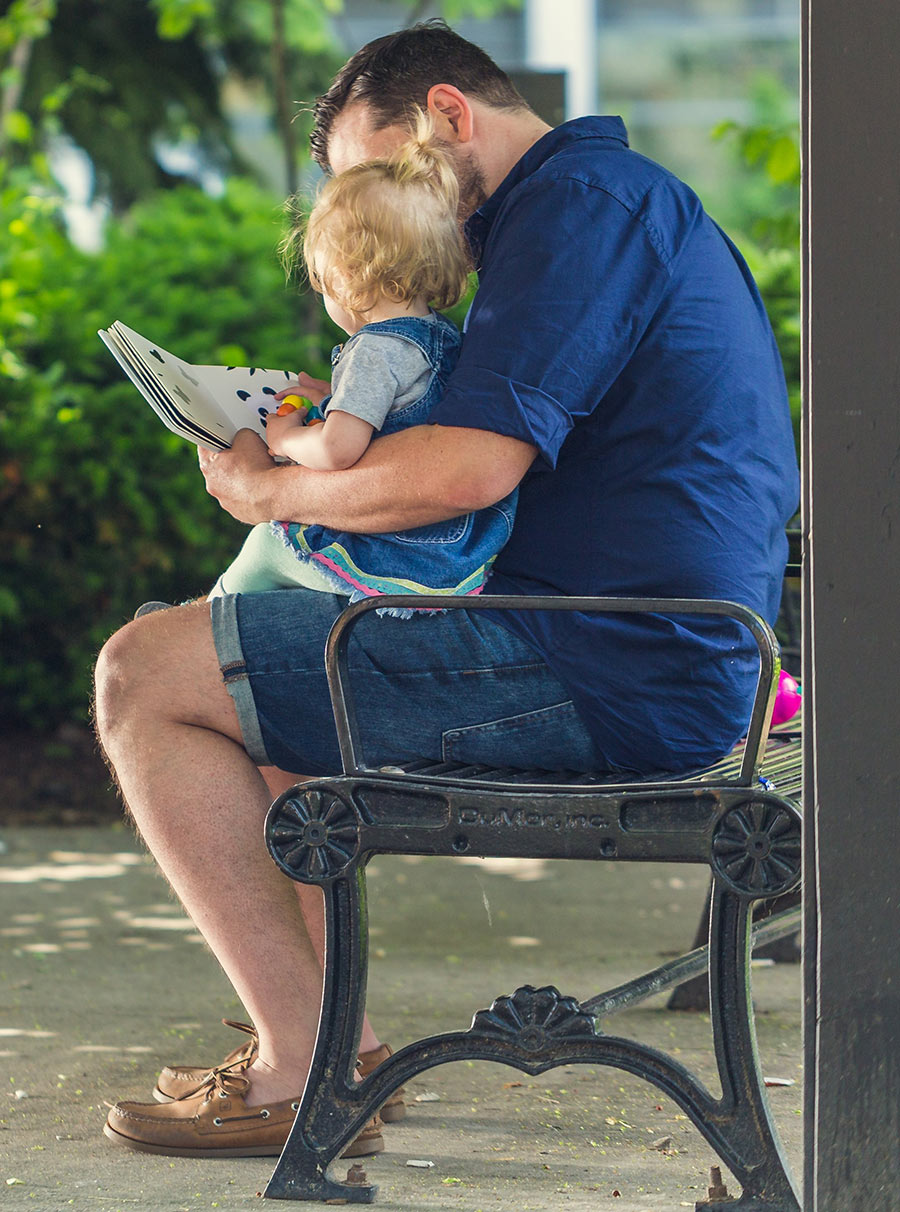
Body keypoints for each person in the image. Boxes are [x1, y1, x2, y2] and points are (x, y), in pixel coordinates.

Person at [94, 21, 799, 1159]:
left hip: (610, 665)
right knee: (260, 688)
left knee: (143, 673)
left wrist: (271, 494)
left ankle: (292, 1071)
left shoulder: (579, 212)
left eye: (382, 172)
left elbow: (469, 471)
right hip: (631, 646)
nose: (384, 210)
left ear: (446, 117)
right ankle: (339, 1054)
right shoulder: (583, 207)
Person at [211, 111, 515, 607]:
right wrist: (335, 398)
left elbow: (337, 451)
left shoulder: (373, 351)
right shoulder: (439, 338)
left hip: (400, 559)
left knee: (271, 540)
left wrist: (288, 436)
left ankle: (206, 613)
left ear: (345, 276)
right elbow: (397, 413)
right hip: (458, 555)